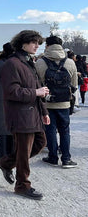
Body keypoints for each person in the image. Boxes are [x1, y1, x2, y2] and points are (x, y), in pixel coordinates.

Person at [0, 30, 50, 200]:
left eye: (38, 43)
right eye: (34, 42)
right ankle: (22, 185)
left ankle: (6, 163)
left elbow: (37, 89)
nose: (37, 45)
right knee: (24, 150)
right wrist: (36, 92)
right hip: (20, 115)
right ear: (23, 43)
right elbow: (12, 92)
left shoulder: (28, 62)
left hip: (32, 114)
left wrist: (44, 112)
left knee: (40, 143)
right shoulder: (12, 64)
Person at [35, 35, 78, 168]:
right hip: (64, 103)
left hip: (46, 102)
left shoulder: (40, 62)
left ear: (47, 45)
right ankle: (66, 159)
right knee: (65, 130)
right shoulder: (70, 62)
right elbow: (74, 84)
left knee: (50, 130)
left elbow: (36, 84)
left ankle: (52, 157)